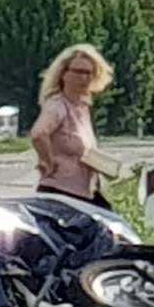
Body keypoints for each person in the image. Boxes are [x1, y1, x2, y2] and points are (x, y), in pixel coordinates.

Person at [30, 44, 114, 207]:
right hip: (60, 193)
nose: (84, 78)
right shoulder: (57, 105)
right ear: (64, 74)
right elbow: (38, 134)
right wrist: (47, 161)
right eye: (79, 72)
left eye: (89, 73)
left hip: (85, 193)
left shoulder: (82, 107)